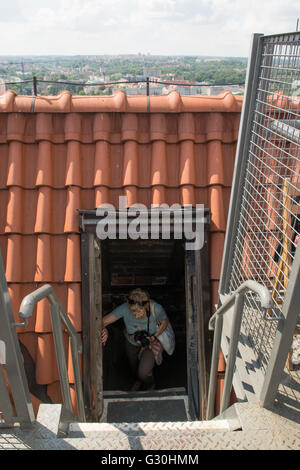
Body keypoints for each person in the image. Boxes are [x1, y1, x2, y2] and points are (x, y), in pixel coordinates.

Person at [101, 288, 169, 390]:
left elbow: (165, 322)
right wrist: (104, 329)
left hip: (149, 344)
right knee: (134, 367)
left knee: (143, 371)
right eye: (133, 313)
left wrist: (154, 336)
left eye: (140, 313)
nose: (136, 316)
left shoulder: (156, 308)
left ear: (146, 306)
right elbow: (102, 322)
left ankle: (150, 384)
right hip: (131, 343)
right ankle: (138, 381)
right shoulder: (124, 308)